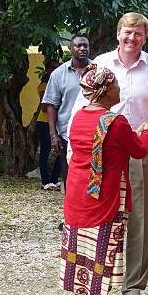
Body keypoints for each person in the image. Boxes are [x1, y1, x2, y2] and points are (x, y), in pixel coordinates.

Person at [68, 12, 148, 295]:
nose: (132, 38)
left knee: (140, 219)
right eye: (127, 32)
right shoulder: (100, 64)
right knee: (102, 218)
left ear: (145, 37)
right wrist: (72, 151)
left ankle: (134, 286)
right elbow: (81, 106)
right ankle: (100, 285)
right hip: (102, 151)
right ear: (118, 34)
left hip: (140, 148)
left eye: (138, 34)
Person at [60, 64, 148, 295]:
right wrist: (146, 131)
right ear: (103, 91)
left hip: (76, 196)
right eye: (114, 85)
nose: (119, 89)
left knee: (79, 255)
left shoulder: (78, 117)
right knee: (100, 255)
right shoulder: (116, 122)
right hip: (104, 198)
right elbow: (139, 150)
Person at [43, 34, 91, 194]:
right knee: (69, 176)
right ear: (70, 49)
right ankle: (70, 216)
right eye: (78, 46)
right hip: (66, 135)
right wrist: (53, 135)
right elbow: (51, 105)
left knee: (92, 178)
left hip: (94, 135)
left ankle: (88, 217)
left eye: (85, 45)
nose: (82, 48)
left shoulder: (98, 71)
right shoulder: (58, 74)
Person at [36, 59, 62, 190]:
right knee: (45, 151)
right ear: (47, 70)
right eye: (53, 68)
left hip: (57, 123)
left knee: (61, 151)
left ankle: (54, 179)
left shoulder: (58, 83)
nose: (56, 70)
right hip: (44, 122)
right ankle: (45, 182)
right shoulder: (44, 85)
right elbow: (44, 106)